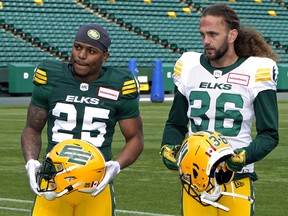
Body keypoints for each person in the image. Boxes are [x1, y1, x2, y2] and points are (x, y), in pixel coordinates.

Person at [160, 3, 279, 216]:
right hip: (196, 181)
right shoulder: (188, 66)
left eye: (213, 34)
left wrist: (244, 156)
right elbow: (175, 123)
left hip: (236, 180)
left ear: (232, 35)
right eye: (203, 34)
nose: (206, 41)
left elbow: (269, 134)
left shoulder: (257, 69)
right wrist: (168, 146)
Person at [21, 23, 144, 216]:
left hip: (95, 186)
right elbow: (32, 128)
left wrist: (116, 165)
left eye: (91, 51)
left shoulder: (120, 83)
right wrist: (31, 162)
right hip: (52, 182)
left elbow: (135, 137)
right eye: (77, 47)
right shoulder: (51, 77)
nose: (81, 55)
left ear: (105, 57)